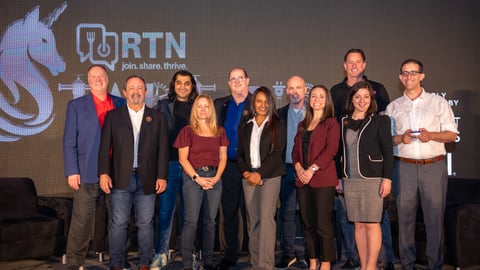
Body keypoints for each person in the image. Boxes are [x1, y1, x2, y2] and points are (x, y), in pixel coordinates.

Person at [385, 59, 458, 270]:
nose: (409, 77)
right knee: (404, 219)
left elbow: (452, 134)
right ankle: (407, 264)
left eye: (413, 73)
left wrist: (431, 135)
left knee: (434, 219)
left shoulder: (438, 102)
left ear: (421, 76)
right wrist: (400, 139)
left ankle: (435, 265)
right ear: (400, 77)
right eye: (405, 73)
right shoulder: (393, 107)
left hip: (433, 167)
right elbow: (386, 140)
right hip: (404, 167)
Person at [98, 75, 169, 270]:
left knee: (145, 223)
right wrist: (103, 173)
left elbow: (163, 149)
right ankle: (116, 264)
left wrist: (162, 175)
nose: (135, 92)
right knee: (119, 223)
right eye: (131, 88)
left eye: (140, 88)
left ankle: (144, 263)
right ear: (124, 92)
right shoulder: (113, 116)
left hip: (147, 179)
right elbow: (105, 148)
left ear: (146, 92)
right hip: (120, 178)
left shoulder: (158, 117)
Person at [330, 48, 392, 270]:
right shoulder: (344, 121)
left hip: (373, 179)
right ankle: (364, 263)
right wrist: (339, 178)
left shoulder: (380, 121)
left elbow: (387, 152)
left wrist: (387, 179)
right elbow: (340, 152)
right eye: (358, 97)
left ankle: (371, 266)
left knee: (373, 224)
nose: (362, 100)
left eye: (366, 97)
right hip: (351, 179)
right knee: (358, 224)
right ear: (352, 99)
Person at [63, 64, 125, 270]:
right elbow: (69, 140)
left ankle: (118, 260)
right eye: (93, 76)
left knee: (118, 219)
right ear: (88, 81)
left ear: (107, 78)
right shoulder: (76, 105)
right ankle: (74, 261)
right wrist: (72, 170)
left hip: (116, 173)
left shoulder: (120, 104)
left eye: (101, 76)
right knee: (81, 220)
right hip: (86, 171)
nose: (98, 79)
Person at [173, 94, 229, 270]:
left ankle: (209, 261)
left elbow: (223, 157)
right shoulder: (187, 131)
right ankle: (188, 263)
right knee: (191, 221)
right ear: (194, 110)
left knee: (210, 222)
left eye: (206, 106)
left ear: (211, 109)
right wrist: (198, 179)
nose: (203, 109)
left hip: (214, 178)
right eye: (199, 106)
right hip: (193, 178)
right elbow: (183, 159)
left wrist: (216, 177)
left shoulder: (219, 131)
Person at [151, 70, 198, 270]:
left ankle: (190, 254)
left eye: (187, 83)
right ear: (173, 85)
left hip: (192, 166)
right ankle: (161, 253)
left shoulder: (199, 107)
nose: (183, 87)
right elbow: (153, 137)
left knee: (191, 214)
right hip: (169, 165)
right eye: (179, 83)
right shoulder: (162, 106)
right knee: (165, 212)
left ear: (192, 86)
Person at [237, 86, 286, 270]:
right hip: (248, 176)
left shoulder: (277, 123)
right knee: (253, 220)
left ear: (271, 103)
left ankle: (266, 265)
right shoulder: (245, 124)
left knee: (266, 219)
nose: (263, 105)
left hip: (270, 176)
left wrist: (260, 174)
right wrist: (246, 173)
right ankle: (255, 263)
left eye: (266, 101)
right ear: (253, 103)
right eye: (259, 101)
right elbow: (240, 154)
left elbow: (276, 153)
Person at [292, 85, 340, 270]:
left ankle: (326, 262)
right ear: (309, 99)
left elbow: (331, 151)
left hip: (322, 179)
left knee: (322, 223)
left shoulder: (331, 123)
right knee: (307, 222)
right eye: (313, 96)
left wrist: (311, 170)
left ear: (326, 100)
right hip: (302, 180)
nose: (317, 99)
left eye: (321, 96)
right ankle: (313, 261)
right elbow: (295, 151)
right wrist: (298, 167)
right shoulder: (302, 124)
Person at [214, 67, 252, 270]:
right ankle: (230, 255)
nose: (237, 81)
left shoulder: (258, 103)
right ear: (228, 83)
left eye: (240, 78)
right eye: (232, 79)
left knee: (253, 213)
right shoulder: (220, 104)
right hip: (228, 166)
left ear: (248, 80)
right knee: (229, 212)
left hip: (252, 167)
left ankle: (255, 254)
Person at [276, 75, 307, 269]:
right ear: (286, 91)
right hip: (286, 170)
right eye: (290, 88)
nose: (294, 92)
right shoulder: (279, 114)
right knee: (286, 214)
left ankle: (312, 255)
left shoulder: (315, 113)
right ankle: (288, 254)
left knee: (308, 215)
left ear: (305, 90)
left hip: (309, 172)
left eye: (298, 88)